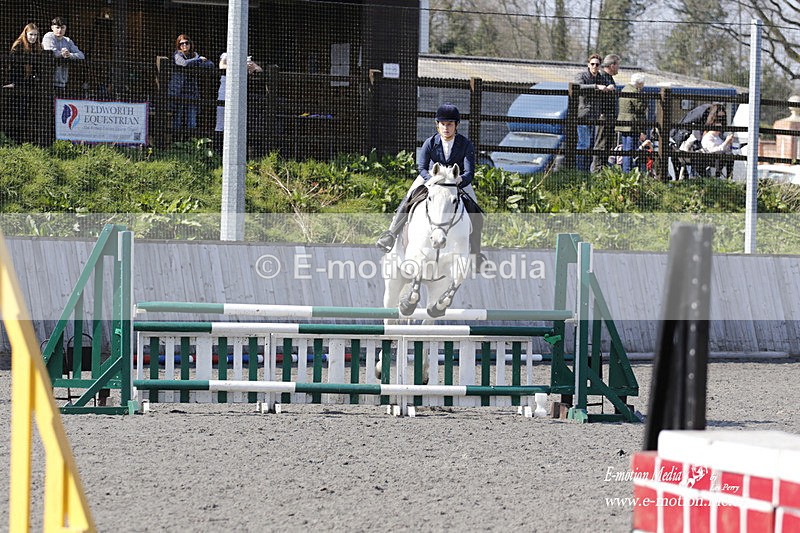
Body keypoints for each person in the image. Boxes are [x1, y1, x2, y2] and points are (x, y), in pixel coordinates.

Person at [375, 103, 486, 269]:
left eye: (450, 124)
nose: (446, 128)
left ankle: (475, 254)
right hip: (431, 178)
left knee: (476, 213)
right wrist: (431, 180)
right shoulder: (430, 142)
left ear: (457, 125)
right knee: (409, 197)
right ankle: (390, 234)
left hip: (456, 182)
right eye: (443, 124)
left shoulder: (465, 144)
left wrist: (459, 180)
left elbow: (469, 172)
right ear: (437, 125)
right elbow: (421, 167)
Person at [6, 23, 47, 144]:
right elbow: (12, 66)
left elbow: (39, 67)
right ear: (26, 34)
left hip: (31, 84)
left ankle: (25, 140)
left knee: (28, 112)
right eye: (31, 35)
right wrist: (15, 82)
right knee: (17, 111)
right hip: (18, 82)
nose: (33, 38)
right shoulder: (18, 46)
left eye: (35, 35)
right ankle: (12, 139)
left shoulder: (38, 48)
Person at [168, 34, 214, 140]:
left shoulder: (195, 55)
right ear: (178, 45)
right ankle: (176, 143)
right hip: (178, 93)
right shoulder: (177, 55)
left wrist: (200, 61)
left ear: (190, 44)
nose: (184, 45)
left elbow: (210, 65)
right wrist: (198, 60)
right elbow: (183, 63)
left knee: (191, 121)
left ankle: (190, 145)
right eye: (181, 43)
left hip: (192, 93)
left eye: (186, 43)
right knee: (177, 120)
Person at [214, 52, 263, 152]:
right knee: (221, 119)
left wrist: (252, 67)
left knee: (242, 120)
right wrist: (239, 66)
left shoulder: (245, 57)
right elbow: (221, 66)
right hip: (225, 90)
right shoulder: (226, 55)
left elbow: (260, 69)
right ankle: (218, 150)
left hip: (241, 92)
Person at [574, 54, 608, 172]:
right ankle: (580, 171)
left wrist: (610, 87)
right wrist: (596, 87)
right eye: (592, 64)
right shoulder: (581, 75)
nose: (594, 66)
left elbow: (607, 86)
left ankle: (589, 172)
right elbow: (578, 87)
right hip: (583, 116)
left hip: (595, 117)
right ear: (588, 65)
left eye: (597, 64)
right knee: (584, 144)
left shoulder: (601, 77)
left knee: (593, 146)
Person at [592, 53, 620, 173]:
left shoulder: (609, 77)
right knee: (601, 144)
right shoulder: (602, 77)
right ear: (612, 65)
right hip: (603, 115)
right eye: (618, 65)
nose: (618, 68)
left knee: (608, 144)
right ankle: (597, 170)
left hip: (610, 116)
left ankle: (603, 169)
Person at [41, 17, 84, 96]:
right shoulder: (48, 36)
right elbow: (49, 51)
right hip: (47, 82)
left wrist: (69, 55)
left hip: (63, 82)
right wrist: (62, 53)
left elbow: (81, 55)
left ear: (65, 28)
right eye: (57, 27)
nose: (59, 30)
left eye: (62, 27)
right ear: (52, 28)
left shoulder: (67, 40)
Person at [617, 72, 648, 173]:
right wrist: (644, 99)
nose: (643, 85)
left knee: (626, 149)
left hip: (623, 122)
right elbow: (640, 107)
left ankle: (625, 171)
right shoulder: (634, 92)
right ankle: (627, 172)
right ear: (639, 83)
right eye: (642, 83)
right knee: (629, 150)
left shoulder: (625, 88)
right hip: (632, 124)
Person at [700, 104, 734, 178]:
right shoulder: (708, 136)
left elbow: (725, 149)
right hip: (712, 158)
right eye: (718, 119)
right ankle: (717, 177)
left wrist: (729, 143)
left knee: (730, 155)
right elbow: (715, 150)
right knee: (719, 156)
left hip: (721, 158)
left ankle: (729, 177)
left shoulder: (719, 136)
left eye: (722, 119)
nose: (721, 124)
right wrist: (726, 142)